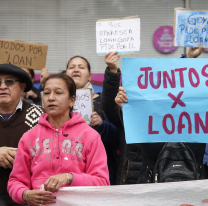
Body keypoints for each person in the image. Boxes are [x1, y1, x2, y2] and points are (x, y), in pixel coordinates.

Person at [102, 46, 205, 184]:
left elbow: (189, 84)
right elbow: (110, 109)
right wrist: (125, 107)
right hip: (145, 183)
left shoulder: (195, 118)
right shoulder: (137, 112)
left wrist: (190, 62)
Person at [8, 74, 110, 206]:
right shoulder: (28, 137)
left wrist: (70, 177)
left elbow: (102, 182)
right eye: (46, 93)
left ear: (72, 100)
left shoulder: (90, 136)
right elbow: (15, 181)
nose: (51, 98)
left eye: (58, 93)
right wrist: (25, 194)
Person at [66, 56, 119, 185]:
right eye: (72, 67)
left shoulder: (104, 102)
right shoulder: (58, 104)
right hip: (67, 171)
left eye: (81, 67)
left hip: (100, 170)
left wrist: (102, 125)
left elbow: (118, 136)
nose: (76, 70)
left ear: (89, 76)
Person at [0, 63, 44, 206]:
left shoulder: (41, 116)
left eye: (9, 81)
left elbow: (53, 154)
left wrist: (24, 158)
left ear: (22, 88)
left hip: (28, 196)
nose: (2, 87)